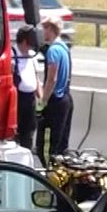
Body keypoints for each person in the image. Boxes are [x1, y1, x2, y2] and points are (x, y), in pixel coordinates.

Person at [38, 18, 74, 163]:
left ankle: (48, 176)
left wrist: (43, 102)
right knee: (61, 144)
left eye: (45, 28)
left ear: (50, 29)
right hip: (66, 99)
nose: (43, 32)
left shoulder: (53, 51)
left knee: (46, 147)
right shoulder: (64, 48)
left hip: (55, 102)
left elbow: (51, 79)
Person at [13, 26, 39, 158]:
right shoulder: (13, 54)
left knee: (29, 132)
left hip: (30, 100)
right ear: (23, 42)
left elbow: (36, 76)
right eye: (29, 45)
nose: (30, 48)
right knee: (16, 133)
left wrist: (40, 98)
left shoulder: (31, 56)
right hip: (18, 100)